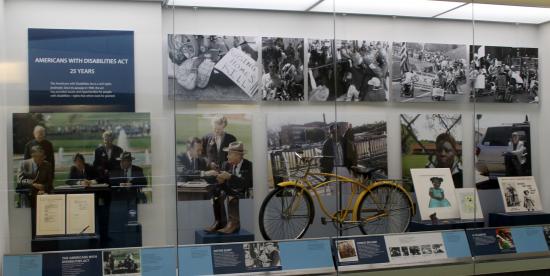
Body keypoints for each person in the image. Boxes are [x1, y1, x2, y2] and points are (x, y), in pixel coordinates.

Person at [204, 141, 253, 234]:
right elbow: (223, 183)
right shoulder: (226, 164)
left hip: (243, 192)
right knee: (215, 192)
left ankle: (233, 224)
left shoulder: (249, 165)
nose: (227, 156)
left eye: (229, 154)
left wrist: (230, 177)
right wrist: (216, 178)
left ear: (238, 155)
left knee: (232, 197)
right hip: (230, 190)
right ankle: (220, 222)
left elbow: (245, 184)